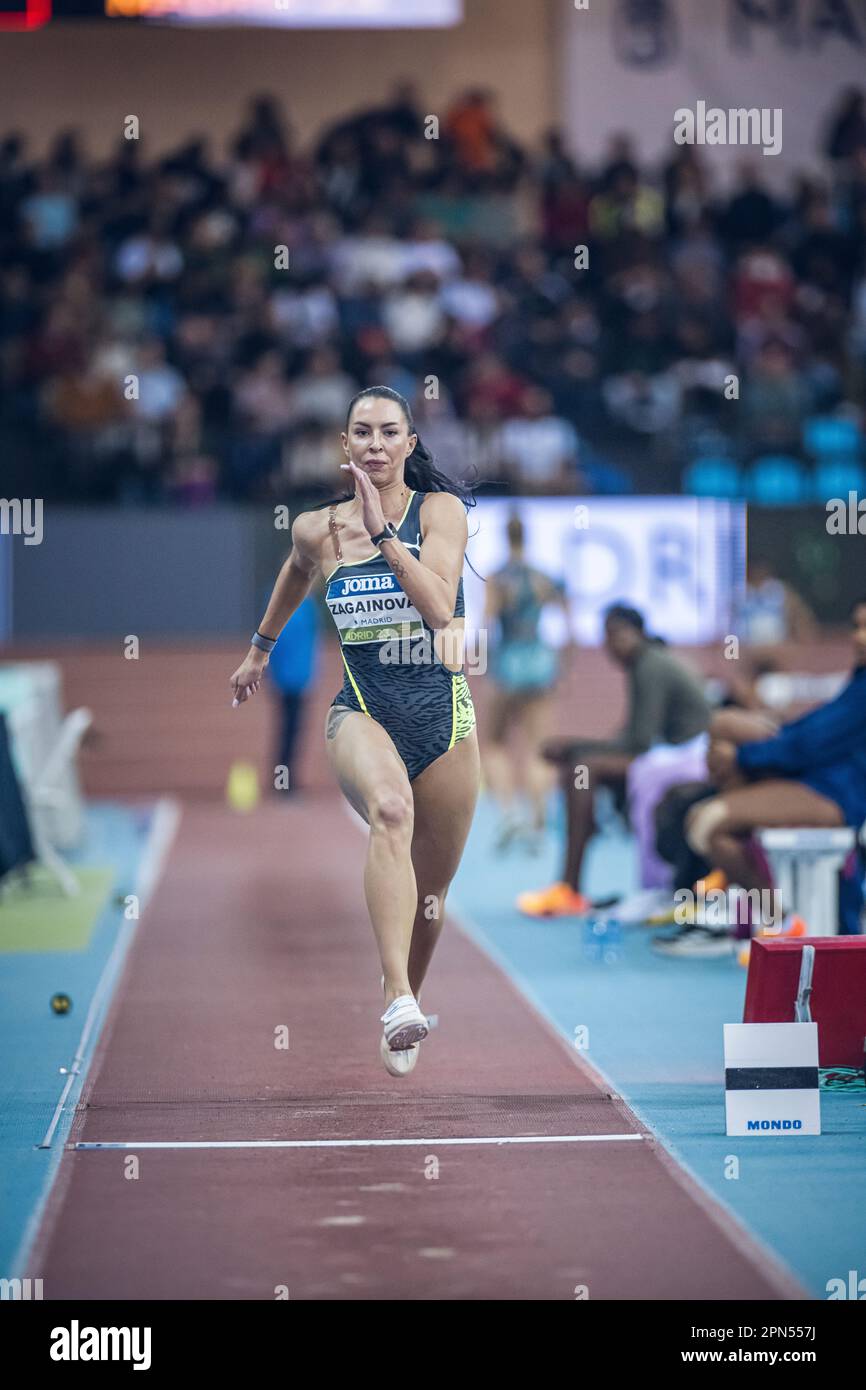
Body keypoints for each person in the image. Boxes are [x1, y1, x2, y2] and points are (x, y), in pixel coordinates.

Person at [229, 386, 480, 1077]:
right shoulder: (316, 528)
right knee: (390, 811)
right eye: (361, 432)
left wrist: (384, 538)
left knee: (431, 900)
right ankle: (397, 998)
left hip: (446, 721)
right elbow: (294, 571)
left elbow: (440, 612)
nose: (374, 444)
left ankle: (406, 994)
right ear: (345, 446)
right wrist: (260, 647)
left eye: (387, 432)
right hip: (362, 714)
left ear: (409, 444)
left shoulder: (441, 513)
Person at [677, 597, 866, 952]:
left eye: (865, 629)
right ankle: (744, 887)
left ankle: (779, 920)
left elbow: (809, 746)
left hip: (837, 797)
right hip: (814, 781)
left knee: (706, 823)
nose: (858, 637)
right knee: (717, 829)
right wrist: (752, 746)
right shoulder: (859, 679)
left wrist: (743, 756)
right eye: (856, 626)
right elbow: (811, 732)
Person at [517, 604, 710, 917]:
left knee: (583, 768)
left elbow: (638, 742)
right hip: (672, 754)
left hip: (692, 755)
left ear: (639, 632)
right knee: (580, 765)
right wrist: (577, 748)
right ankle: (573, 871)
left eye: (617, 634)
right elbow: (633, 738)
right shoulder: (644, 663)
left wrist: (572, 746)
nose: (611, 645)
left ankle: (571, 883)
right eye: (606, 637)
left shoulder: (650, 665)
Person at [483, 512, 571, 851]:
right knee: (539, 746)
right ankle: (537, 821)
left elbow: (488, 624)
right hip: (539, 659)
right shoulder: (543, 579)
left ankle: (508, 813)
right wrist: (563, 666)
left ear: (506, 537)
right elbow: (571, 629)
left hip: (510, 659)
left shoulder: (497, 578)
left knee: (494, 744)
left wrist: (486, 668)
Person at [263, 591, 320, 798]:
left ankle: (287, 782)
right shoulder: (285, 602)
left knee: (292, 734)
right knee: (287, 735)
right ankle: (282, 784)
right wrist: (275, 675)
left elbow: (310, 644)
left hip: (300, 677)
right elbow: (277, 643)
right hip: (289, 679)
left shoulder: (307, 605)